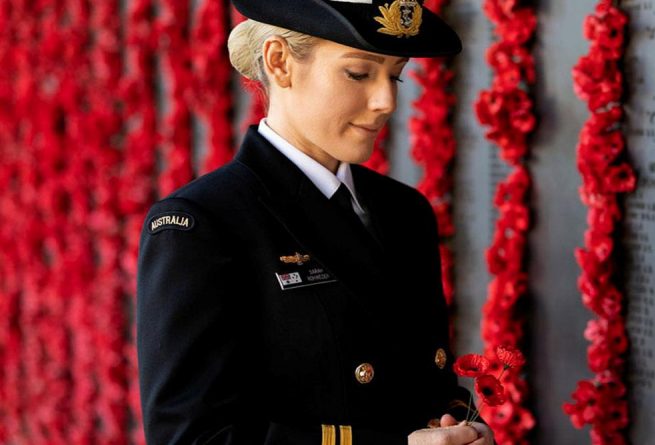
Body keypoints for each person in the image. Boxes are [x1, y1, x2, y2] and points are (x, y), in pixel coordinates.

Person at [136, 0, 495, 443]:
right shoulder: (202, 224)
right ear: (279, 62)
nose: (386, 101)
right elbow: (192, 437)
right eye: (359, 73)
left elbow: (421, 384)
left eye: (396, 74)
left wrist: (461, 428)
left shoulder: (404, 211)